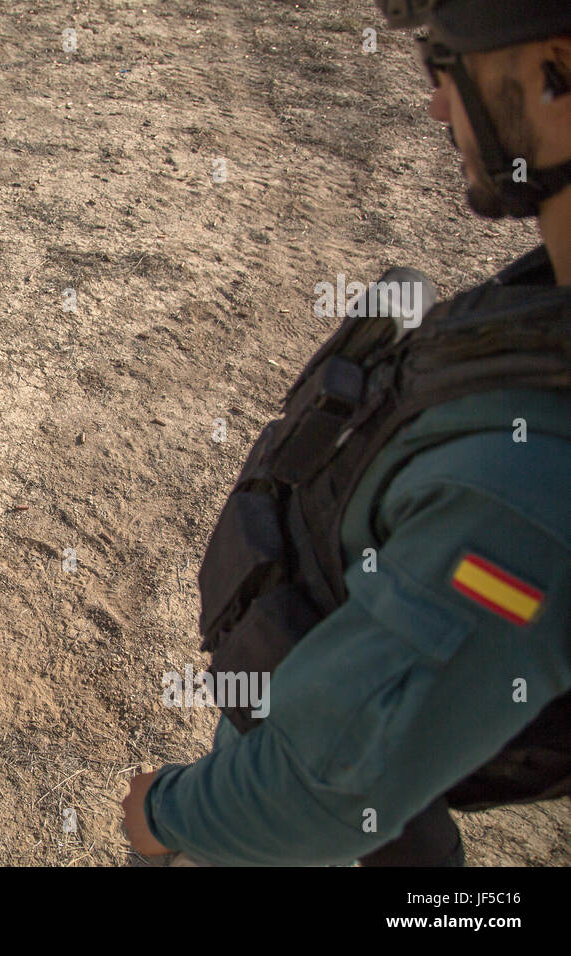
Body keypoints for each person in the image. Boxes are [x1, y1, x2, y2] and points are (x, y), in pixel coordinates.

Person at [123, 0, 571, 866]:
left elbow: (321, 791)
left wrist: (162, 815)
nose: (439, 104)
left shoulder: (525, 491)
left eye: (448, 60)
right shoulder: (540, 305)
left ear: (559, 70)